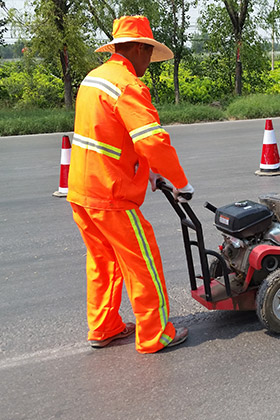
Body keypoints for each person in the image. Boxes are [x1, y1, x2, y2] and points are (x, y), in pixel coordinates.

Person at [67, 15, 192, 353]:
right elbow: (151, 140)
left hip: (81, 190)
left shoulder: (94, 79)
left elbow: (113, 136)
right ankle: (155, 334)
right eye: (148, 54)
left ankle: (104, 326)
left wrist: (149, 171)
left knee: (103, 261)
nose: (149, 62)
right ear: (138, 48)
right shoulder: (128, 85)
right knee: (143, 261)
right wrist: (180, 181)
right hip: (111, 194)